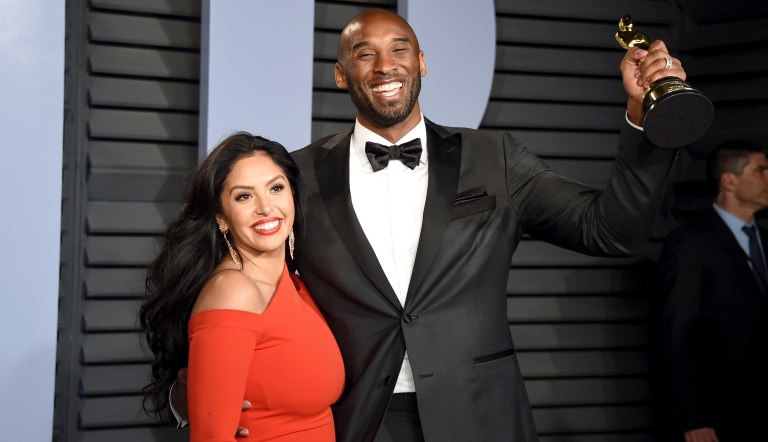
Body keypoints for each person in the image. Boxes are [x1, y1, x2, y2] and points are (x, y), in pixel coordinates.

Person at [175, 8, 682, 441]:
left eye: (400, 49)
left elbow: (611, 230)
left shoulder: (494, 158)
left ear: (421, 62)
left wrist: (644, 119)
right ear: (339, 73)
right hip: (358, 421)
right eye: (364, 53)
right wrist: (201, 390)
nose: (385, 65)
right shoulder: (296, 177)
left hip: (481, 417)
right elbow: (231, 284)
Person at [139, 132, 344, 441]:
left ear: (293, 195)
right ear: (221, 218)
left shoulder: (296, 283)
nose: (265, 207)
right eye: (244, 196)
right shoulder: (235, 291)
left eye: (276, 188)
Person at [653, 140, 768, 442]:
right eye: (761, 171)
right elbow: (677, 334)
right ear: (729, 180)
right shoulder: (692, 243)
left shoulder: (765, 241)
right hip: (722, 414)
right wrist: (692, 417)